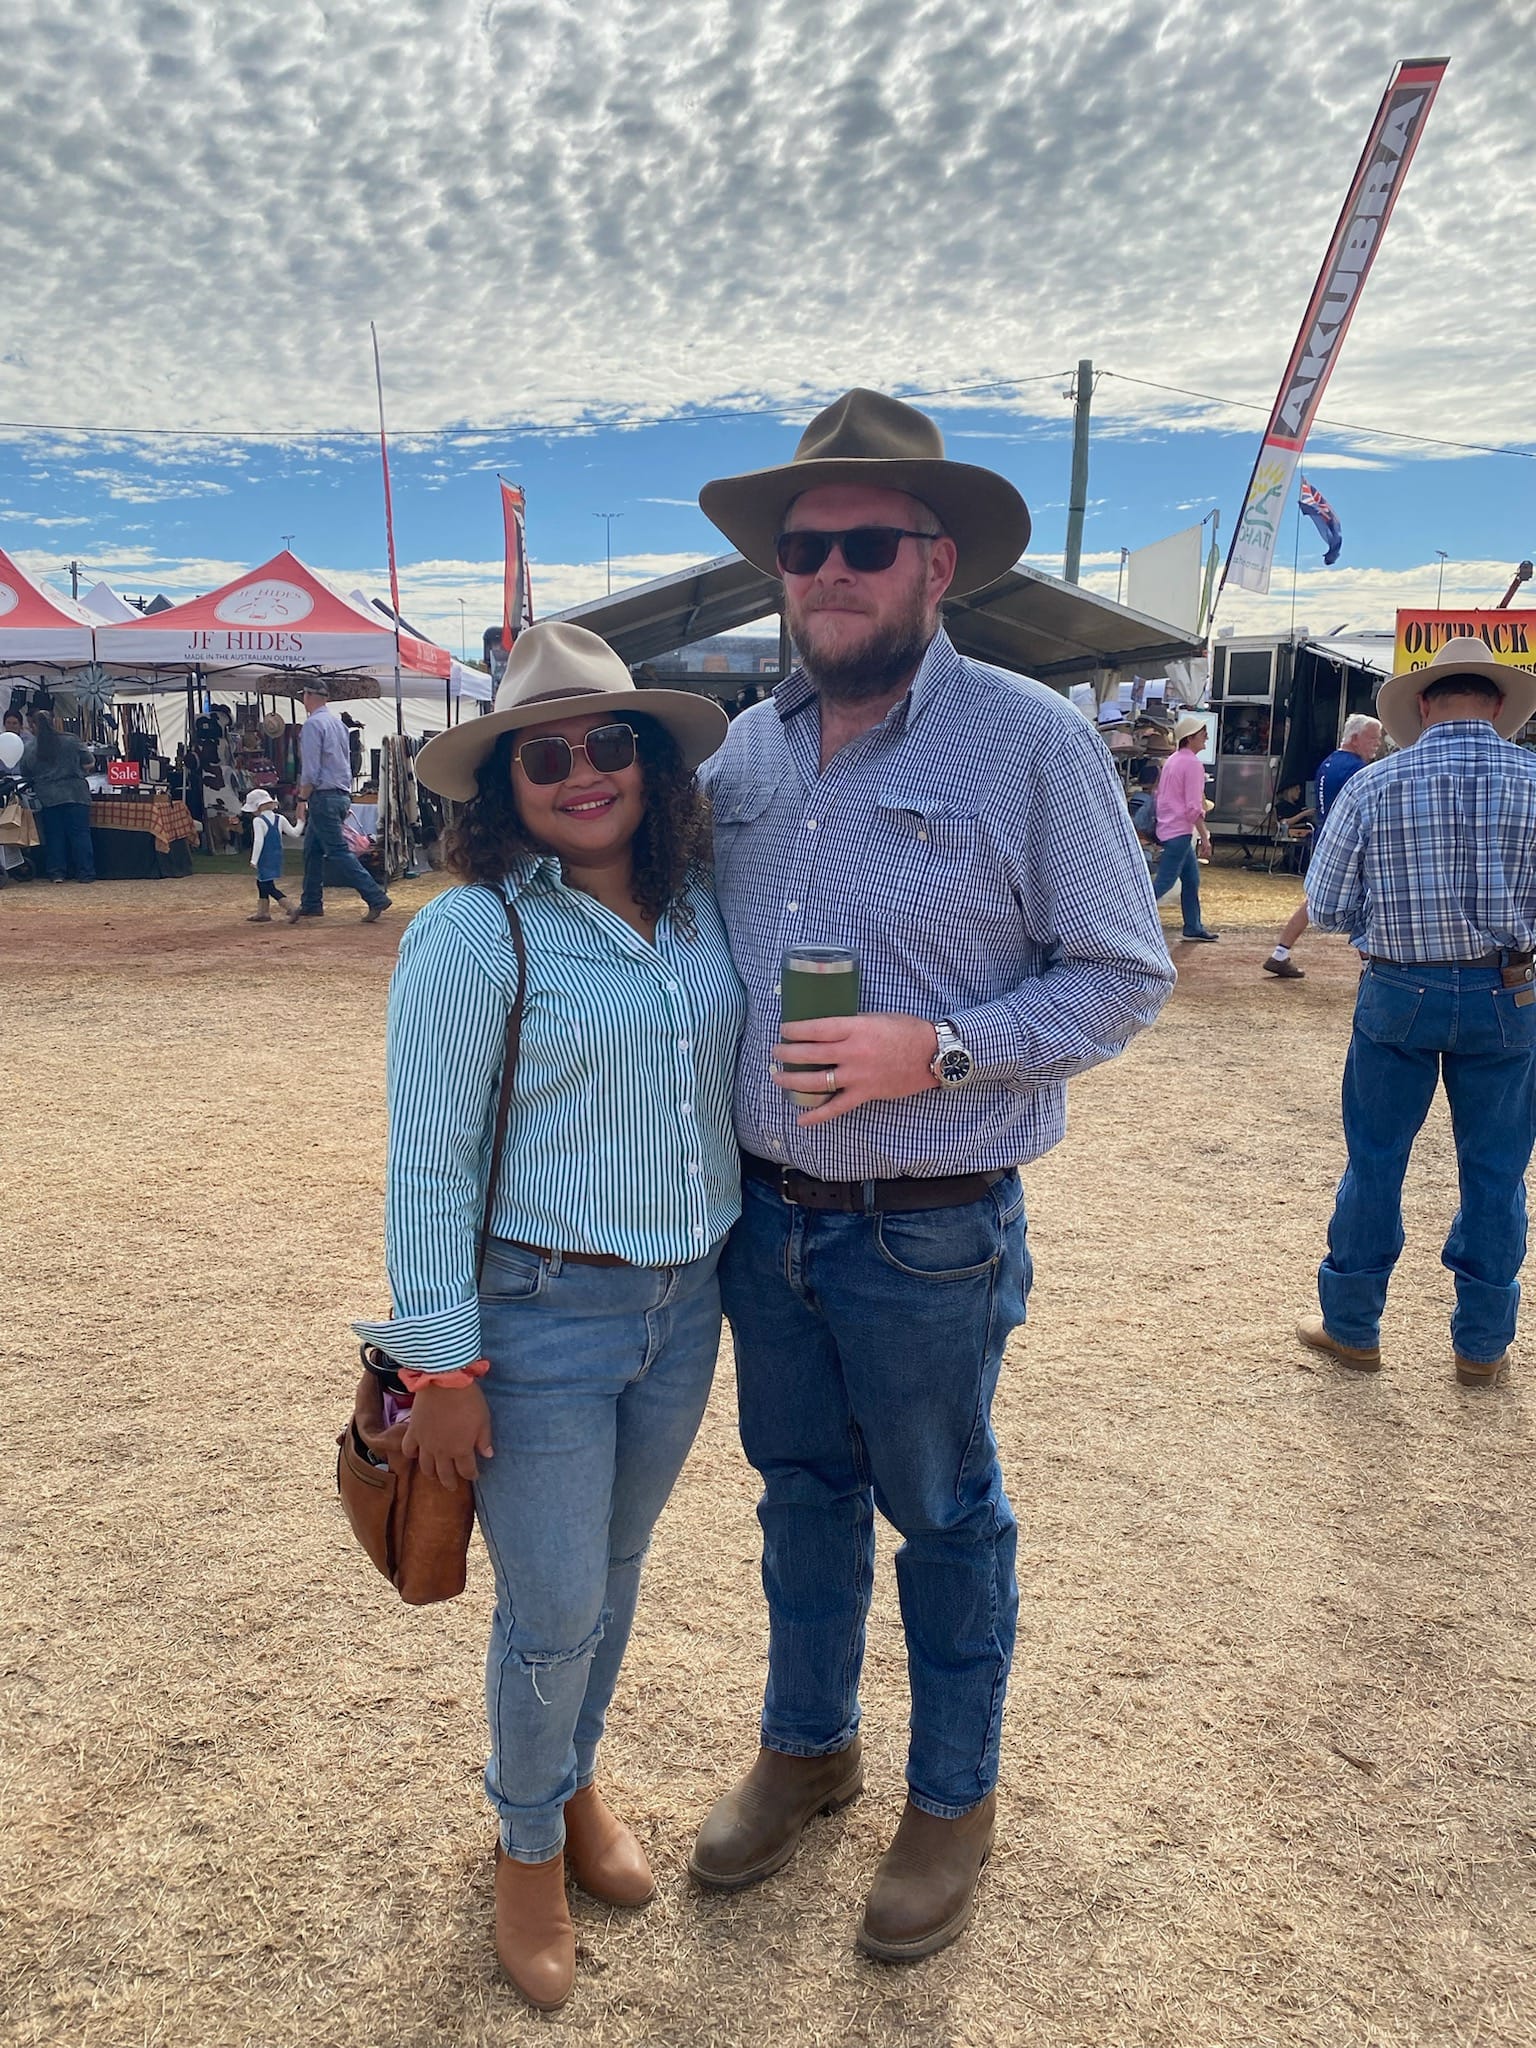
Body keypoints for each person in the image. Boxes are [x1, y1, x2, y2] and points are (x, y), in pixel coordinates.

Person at [687, 389, 1174, 1959]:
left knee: (946, 1518)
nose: (827, 569)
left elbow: (1122, 974)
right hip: (766, 1217)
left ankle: (953, 1796)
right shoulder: (746, 752)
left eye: (864, 544)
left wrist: (939, 1050)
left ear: (936, 562)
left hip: (931, 1230)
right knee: (798, 1503)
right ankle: (809, 1746)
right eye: (802, 547)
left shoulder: (1027, 738)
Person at [352, 621, 743, 2012]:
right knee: (556, 1600)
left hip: (684, 1305)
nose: (582, 774)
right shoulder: (476, 930)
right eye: (545, 755)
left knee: (616, 1573)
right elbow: (429, 1160)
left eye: (608, 744)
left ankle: (568, 1791)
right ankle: (526, 1847)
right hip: (535, 1320)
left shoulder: (700, 905)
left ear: (650, 761)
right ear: (502, 786)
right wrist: (441, 1360)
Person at [1297, 638, 1536, 1389]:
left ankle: (1352, 1326)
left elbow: (1329, 905)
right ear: (1498, 707)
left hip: (1399, 988)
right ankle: (1482, 1345)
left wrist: (1389, 920)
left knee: (1376, 1160)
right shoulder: (1534, 780)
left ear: (1424, 705)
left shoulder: (1373, 784)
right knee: (1496, 1171)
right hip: (1510, 991)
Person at [1262, 714, 1383, 979]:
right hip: (1348, 846)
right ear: (1354, 738)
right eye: (1373, 738)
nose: (1378, 744)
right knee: (1362, 904)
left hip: (1325, 840)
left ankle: (1280, 953)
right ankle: (1367, 967)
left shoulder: (1328, 763)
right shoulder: (1356, 770)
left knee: (1314, 901)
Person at [287, 681, 391, 924]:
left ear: (309, 696)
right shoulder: (339, 725)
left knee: (336, 851)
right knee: (312, 849)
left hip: (323, 794)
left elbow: (311, 769)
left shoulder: (313, 725)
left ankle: (374, 895)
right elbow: (347, 763)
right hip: (340, 793)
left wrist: (302, 798)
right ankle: (311, 902)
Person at [1150, 714, 1216, 941]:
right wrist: (1205, 835)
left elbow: (1161, 795)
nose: (1206, 736)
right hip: (1180, 829)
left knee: (1190, 878)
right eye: (1202, 733)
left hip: (1169, 827)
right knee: (1165, 881)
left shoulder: (1173, 760)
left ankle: (1193, 925)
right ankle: (1129, 918)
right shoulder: (1192, 764)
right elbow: (1193, 806)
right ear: (1190, 737)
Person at [21, 711, 95, 884]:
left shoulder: (31, 747)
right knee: (80, 835)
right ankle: (86, 873)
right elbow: (89, 762)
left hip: (48, 797)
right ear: (53, 722)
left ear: (33, 725)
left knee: (54, 836)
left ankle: (57, 873)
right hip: (76, 794)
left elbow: (25, 773)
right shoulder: (71, 740)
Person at [241, 787, 301, 922]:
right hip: (277, 855)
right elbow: (295, 833)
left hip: (265, 856)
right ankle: (263, 912)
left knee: (267, 885)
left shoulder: (258, 821)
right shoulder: (280, 818)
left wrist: (254, 859)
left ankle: (290, 907)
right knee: (262, 882)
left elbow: (258, 841)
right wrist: (301, 821)